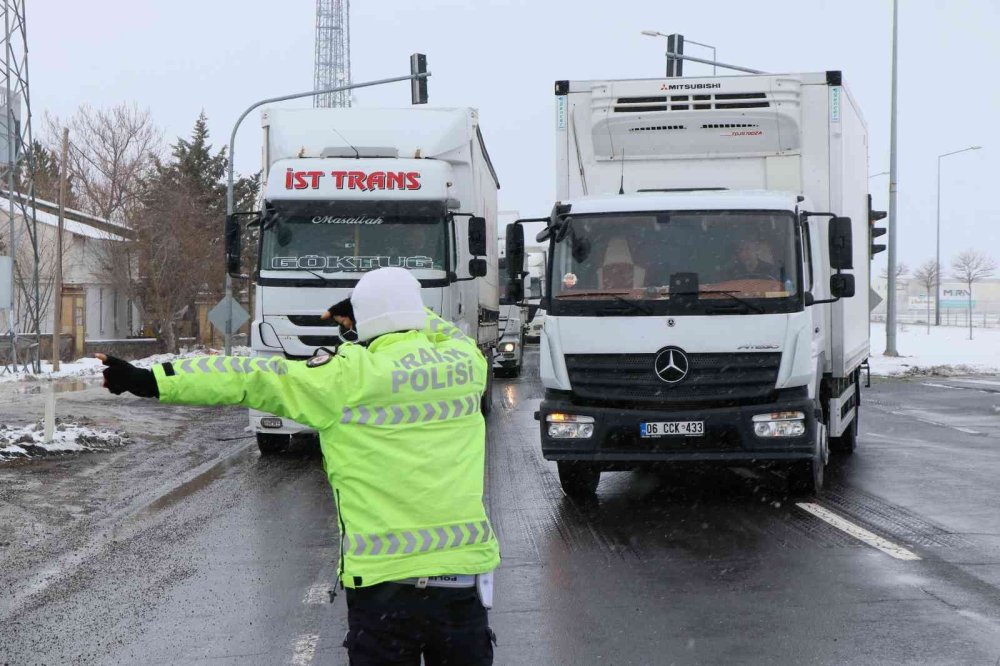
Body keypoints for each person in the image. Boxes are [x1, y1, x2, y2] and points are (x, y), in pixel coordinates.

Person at [97, 267, 500, 665]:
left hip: (384, 591)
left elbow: (249, 377)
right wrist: (383, 310)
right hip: (461, 588)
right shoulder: (464, 363)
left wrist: (153, 380)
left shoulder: (344, 377)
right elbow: (440, 329)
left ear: (367, 319)